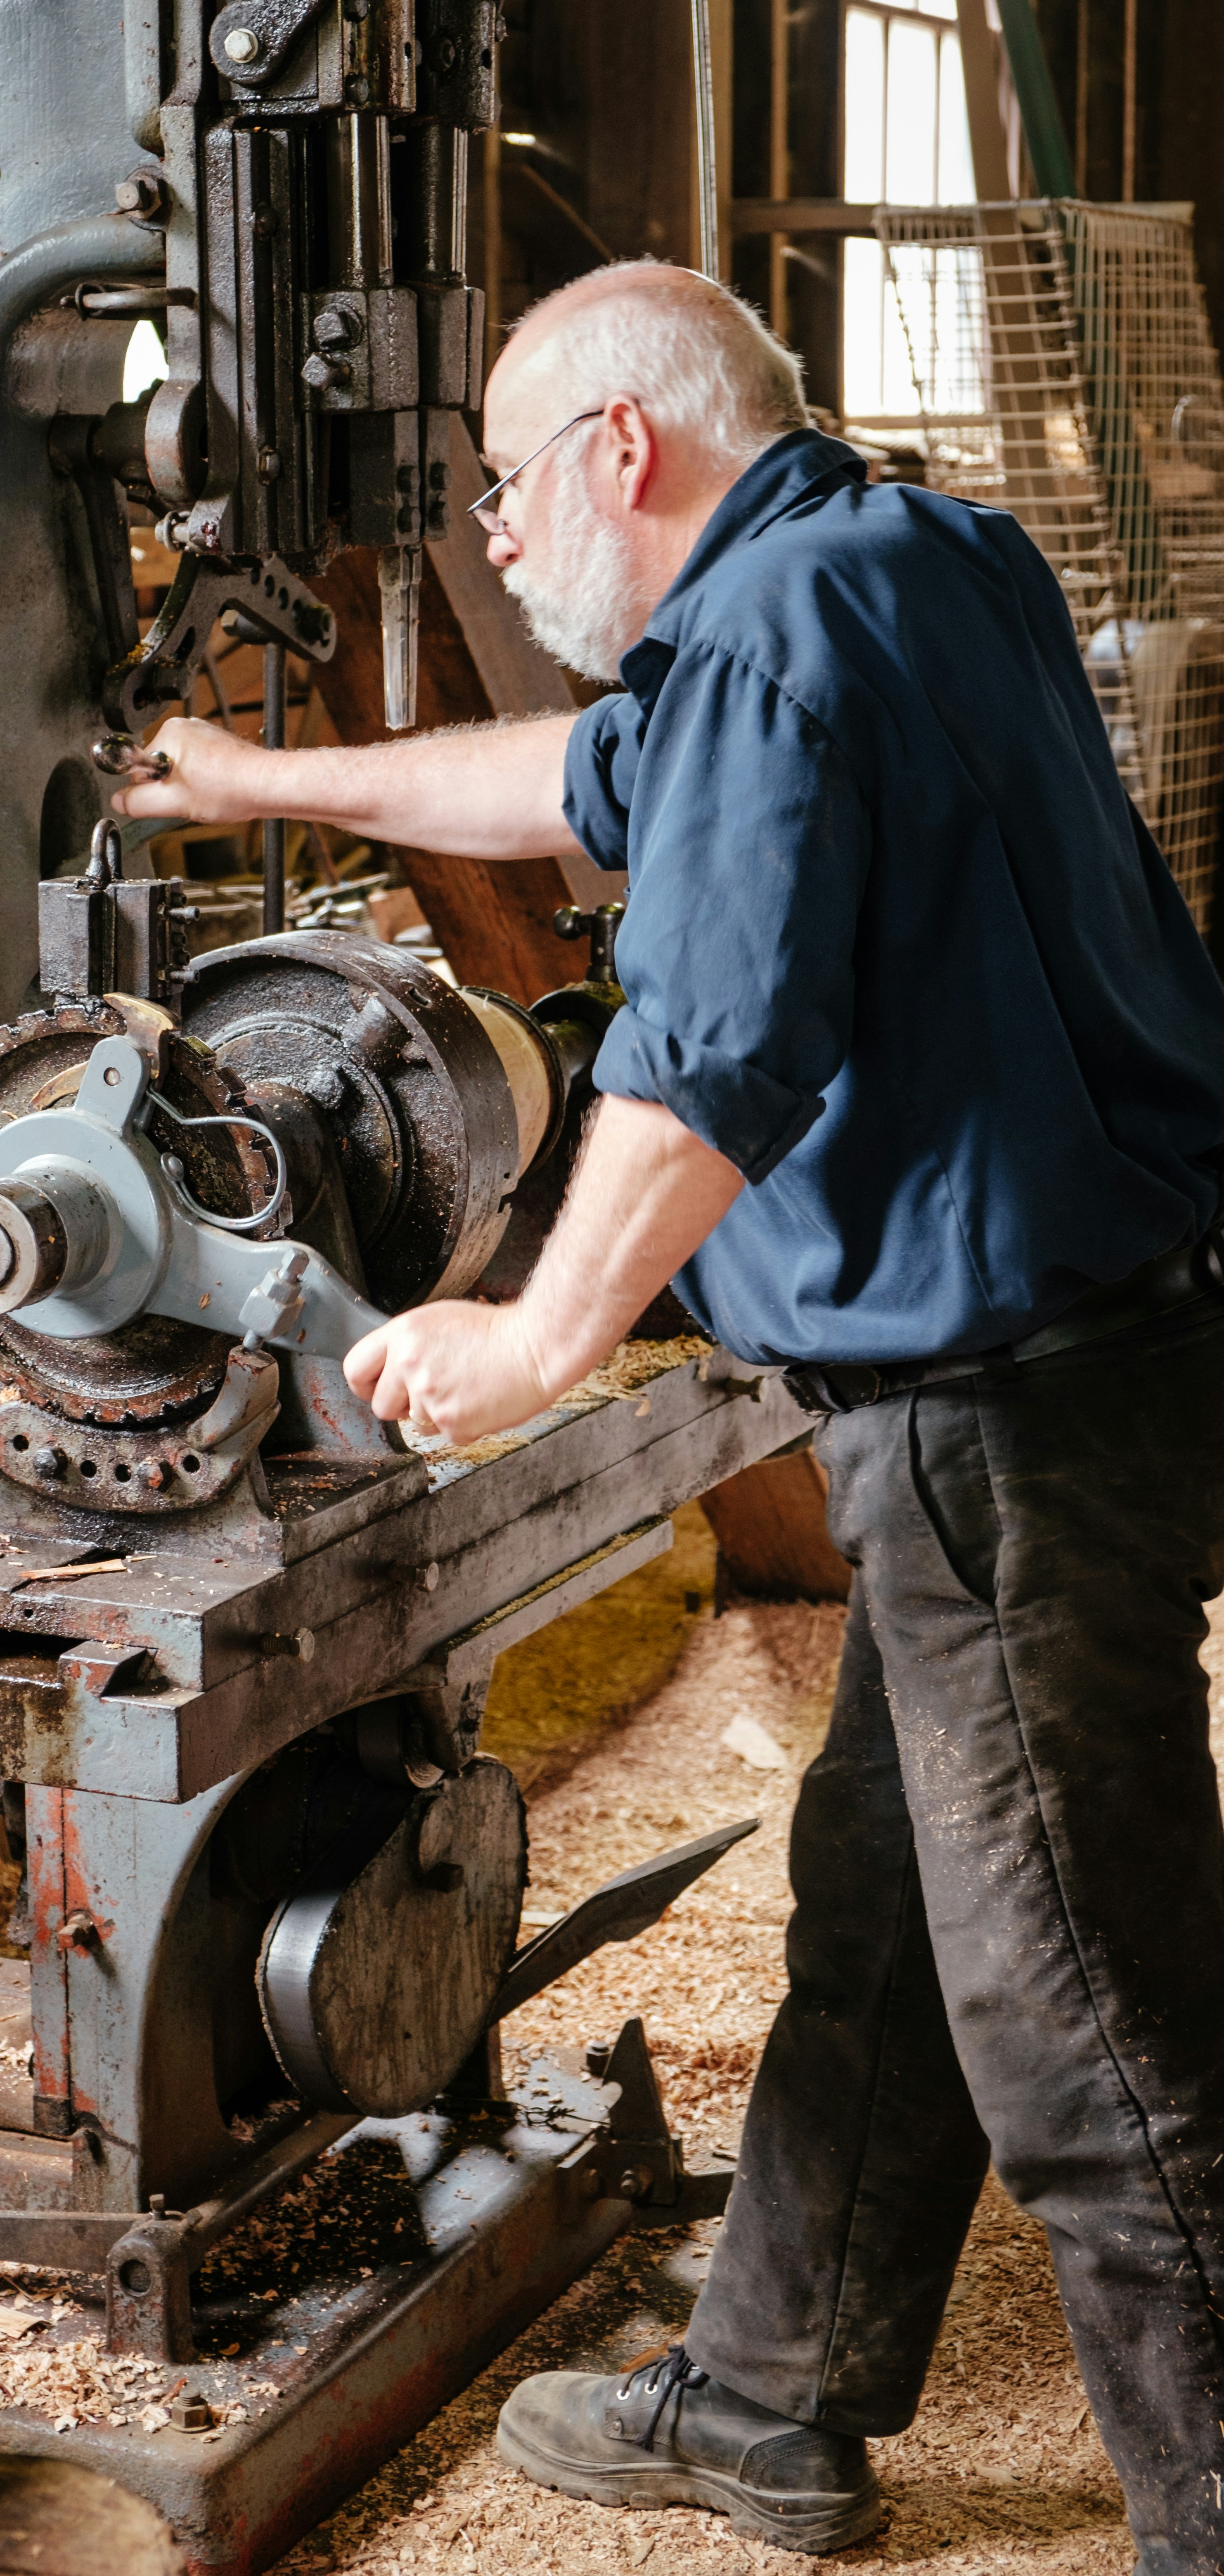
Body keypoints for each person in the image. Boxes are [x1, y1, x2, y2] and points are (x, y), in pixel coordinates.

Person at [111, 261, 1224, 2574]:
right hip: (1077, 1382)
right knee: (888, 1907)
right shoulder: (912, 565)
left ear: (627, 448)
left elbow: (709, 1054)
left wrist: (530, 1346)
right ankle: (772, 2394)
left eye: (507, 483)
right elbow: (559, 781)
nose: (495, 536)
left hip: (1008, 1423)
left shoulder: (777, 642)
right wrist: (249, 776)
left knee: (1095, 2039)